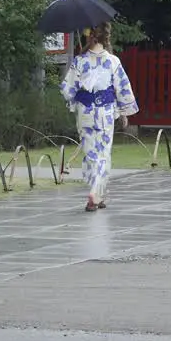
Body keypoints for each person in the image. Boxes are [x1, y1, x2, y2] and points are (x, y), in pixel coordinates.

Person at [60, 22, 139, 212]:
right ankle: (97, 191)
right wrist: (123, 112)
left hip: (85, 113)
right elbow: (122, 88)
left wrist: (77, 96)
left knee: (90, 153)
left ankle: (98, 192)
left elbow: (67, 89)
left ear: (90, 36)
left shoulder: (80, 61)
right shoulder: (113, 61)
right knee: (103, 153)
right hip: (105, 113)